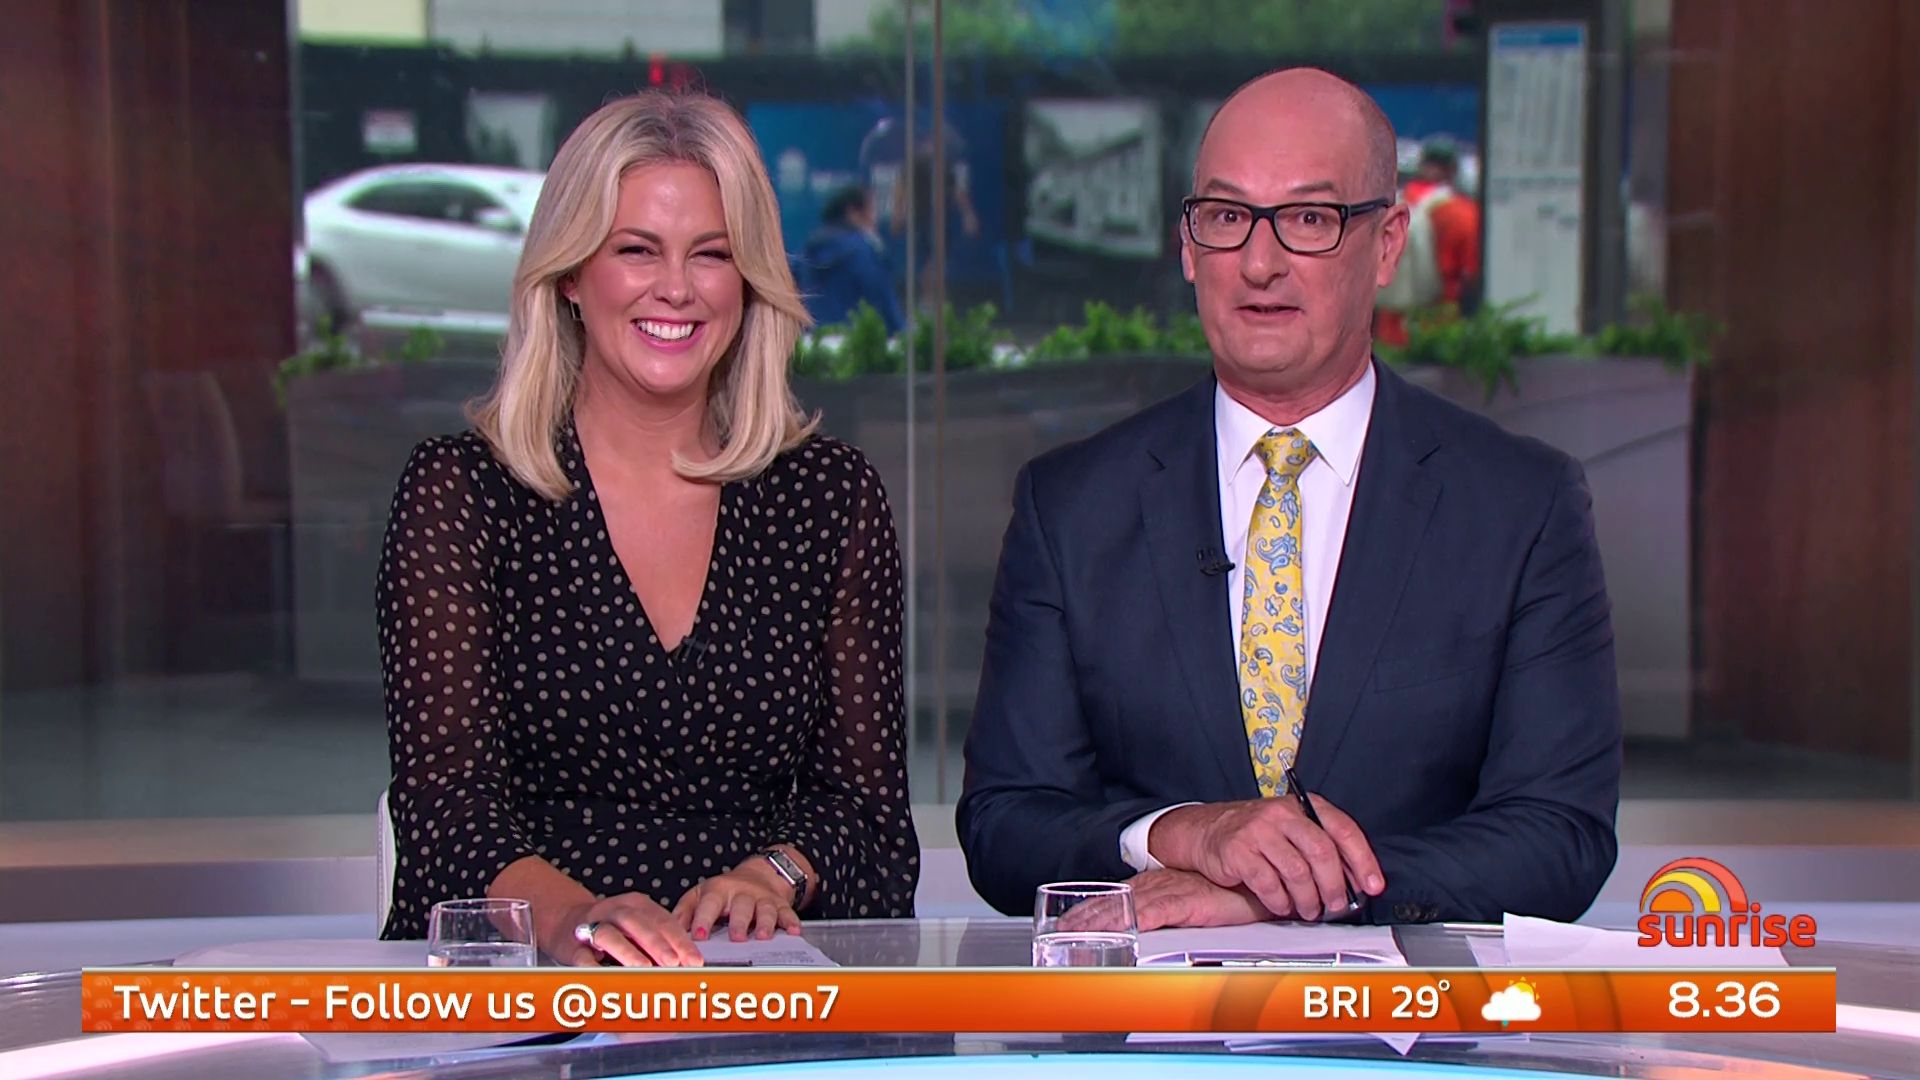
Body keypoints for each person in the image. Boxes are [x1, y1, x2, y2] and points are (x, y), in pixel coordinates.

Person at [957, 68, 1620, 929]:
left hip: (1413, 1010)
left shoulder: (1521, 505)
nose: (1259, 263)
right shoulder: (1071, 507)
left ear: (1387, 244)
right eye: (1227, 217)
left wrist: (1282, 891)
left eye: (1309, 219)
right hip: (1149, 1012)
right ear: (1188, 245)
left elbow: (1560, 835)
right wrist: (1182, 835)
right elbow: (1005, 824)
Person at [377, 90, 919, 966]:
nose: (677, 288)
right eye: (636, 250)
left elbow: (870, 820)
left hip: (755, 983)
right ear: (569, 275)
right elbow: (446, 812)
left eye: (712, 254)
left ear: (748, 281)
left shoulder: (828, 496)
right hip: (529, 984)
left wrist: (772, 875)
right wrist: (582, 921)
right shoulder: (462, 493)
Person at [795, 185, 905, 334]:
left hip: (814, 343)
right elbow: (884, 302)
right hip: (856, 344)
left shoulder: (808, 252)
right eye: (872, 210)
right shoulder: (864, 252)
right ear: (853, 212)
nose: (876, 219)